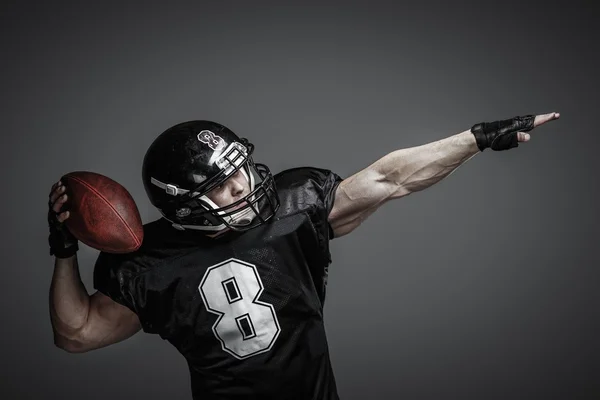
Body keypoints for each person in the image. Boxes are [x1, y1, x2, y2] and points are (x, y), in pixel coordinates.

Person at [48, 113, 560, 399]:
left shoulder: (291, 211)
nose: (244, 186)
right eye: (225, 185)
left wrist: (475, 138)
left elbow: (390, 177)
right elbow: (78, 334)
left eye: (241, 170)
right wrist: (65, 248)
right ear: (184, 202)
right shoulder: (147, 263)